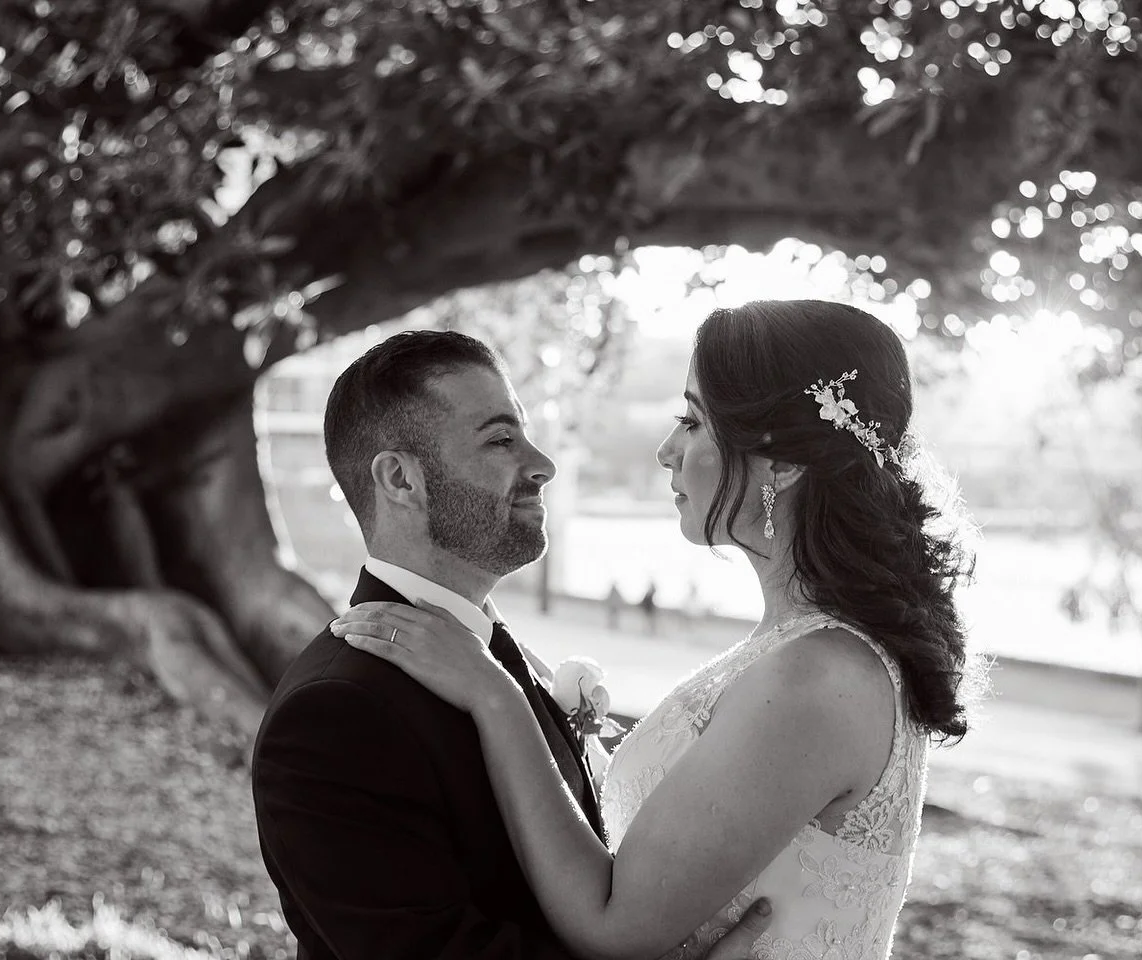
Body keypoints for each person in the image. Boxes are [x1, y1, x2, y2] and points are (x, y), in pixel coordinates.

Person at [334, 301, 980, 960]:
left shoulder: (816, 676)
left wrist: (495, 695)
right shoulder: (796, 652)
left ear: (781, 461)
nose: (668, 450)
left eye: (693, 421)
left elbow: (611, 924)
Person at [250, 331, 773, 960]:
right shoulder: (336, 712)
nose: (542, 464)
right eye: (501, 440)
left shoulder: (499, 656)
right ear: (400, 479)